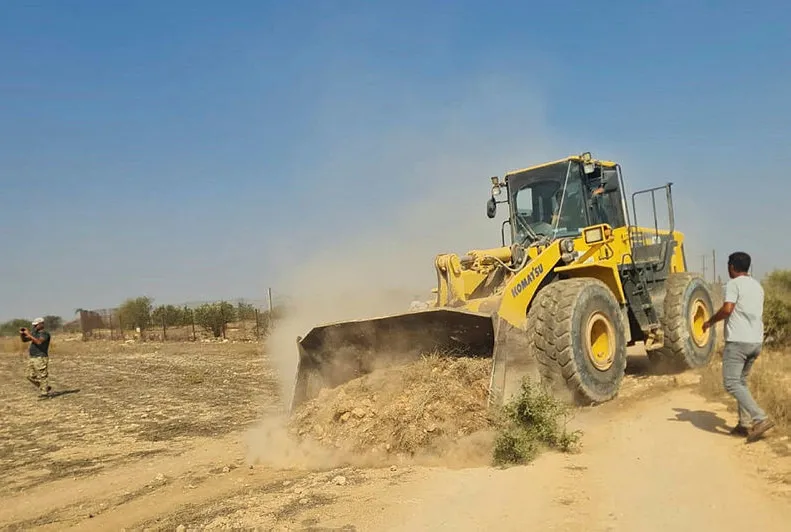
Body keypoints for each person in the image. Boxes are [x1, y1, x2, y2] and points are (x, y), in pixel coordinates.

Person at [702, 252, 773, 442]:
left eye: (728, 265)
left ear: (732, 267)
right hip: (755, 341)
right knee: (741, 381)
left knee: (731, 382)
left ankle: (760, 418)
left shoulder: (733, 285)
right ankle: (744, 424)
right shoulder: (757, 286)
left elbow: (727, 309)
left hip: (738, 342)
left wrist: (710, 322)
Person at [20, 317, 52, 398]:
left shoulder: (44, 334)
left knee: (42, 375)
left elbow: (39, 342)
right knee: (29, 375)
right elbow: (24, 340)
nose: (34, 327)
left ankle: (44, 393)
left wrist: (29, 334)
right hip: (32, 357)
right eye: (34, 325)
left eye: (36, 325)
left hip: (41, 357)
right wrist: (22, 334)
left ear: (41, 324)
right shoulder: (34, 333)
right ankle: (44, 387)